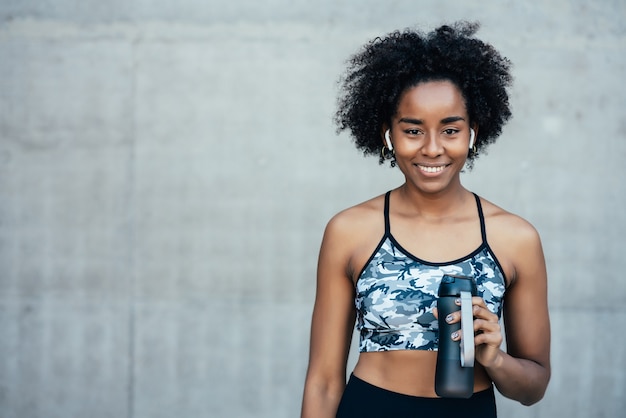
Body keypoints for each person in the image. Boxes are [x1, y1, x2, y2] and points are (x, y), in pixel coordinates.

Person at [300, 22, 550, 418]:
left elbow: (533, 387)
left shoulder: (515, 238)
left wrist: (495, 359)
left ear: (472, 133)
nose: (432, 149)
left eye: (450, 129)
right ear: (387, 135)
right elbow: (323, 381)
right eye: (413, 130)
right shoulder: (350, 231)